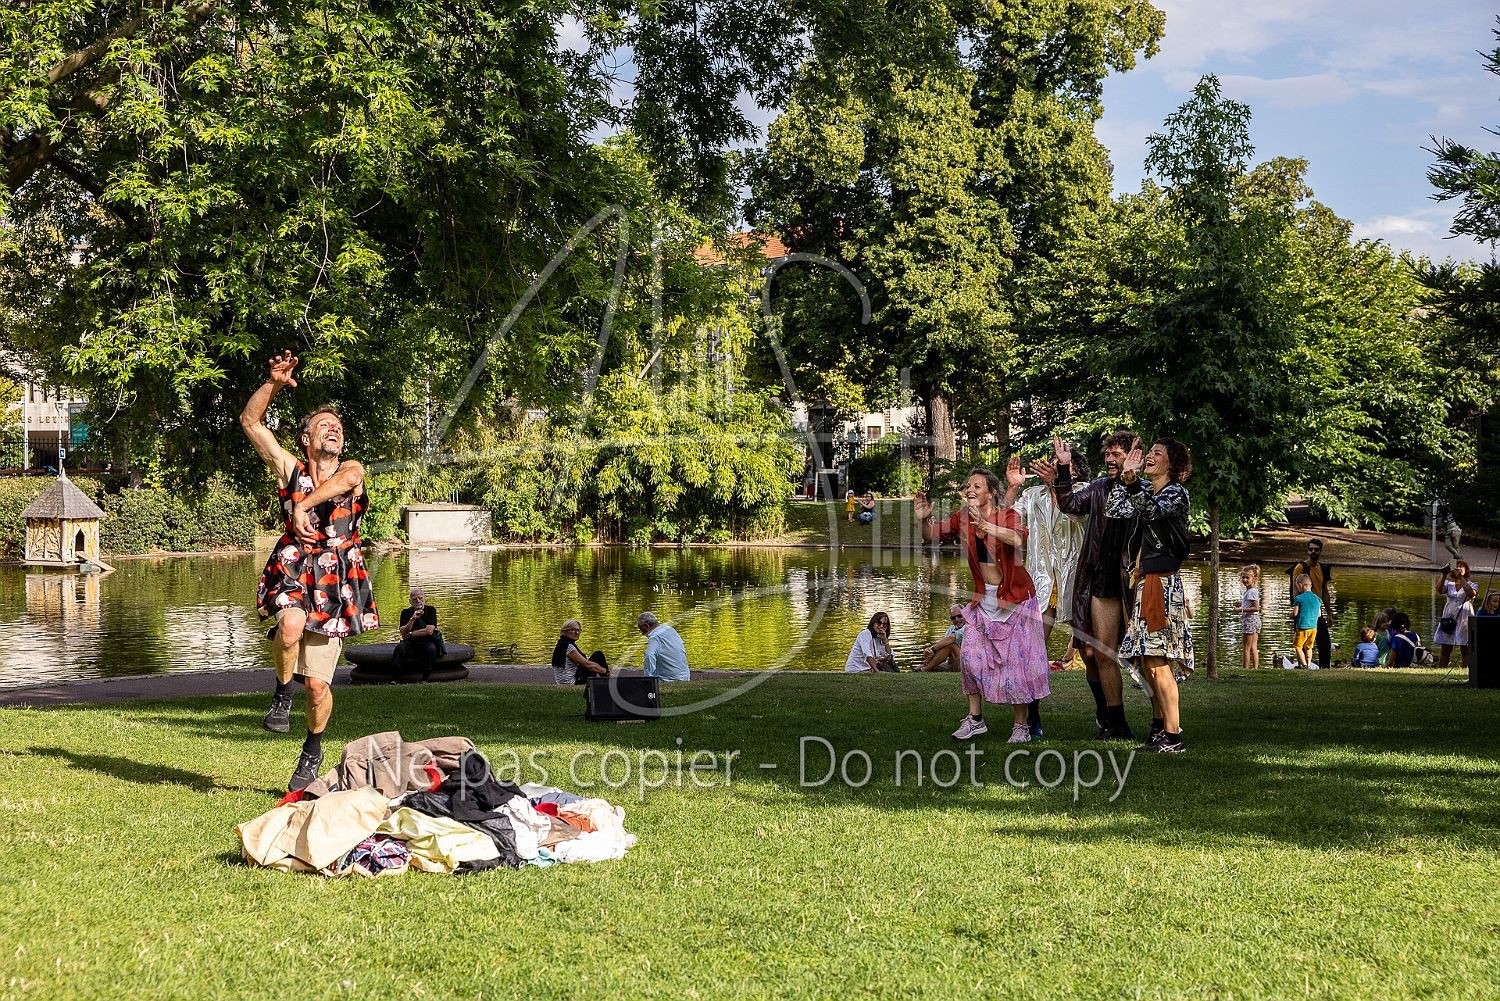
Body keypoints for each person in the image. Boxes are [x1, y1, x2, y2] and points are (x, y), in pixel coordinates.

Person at [242, 351, 378, 792]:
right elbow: (250, 423)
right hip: (295, 562)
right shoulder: (290, 469)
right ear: (305, 439)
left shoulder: (352, 470)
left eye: (338, 426)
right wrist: (274, 384)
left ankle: (312, 748)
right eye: (324, 425)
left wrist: (302, 505)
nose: (334, 429)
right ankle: (282, 694)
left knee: (318, 687)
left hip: (336, 579)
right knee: (290, 625)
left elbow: (347, 481)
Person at [915, 462, 1050, 743]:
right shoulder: (961, 518)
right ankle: (975, 719)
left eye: (977, 486)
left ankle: (1021, 726)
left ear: (991, 493)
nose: (970, 489)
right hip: (983, 600)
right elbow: (930, 536)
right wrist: (924, 520)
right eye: (968, 486)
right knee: (969, 657)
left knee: (1017, 665)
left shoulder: (1007, 515)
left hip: (1016, 599)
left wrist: (987, 525)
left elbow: (1017, 539)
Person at [1031, 431, 1139, 740]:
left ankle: (1154, 725)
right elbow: (1069, 504)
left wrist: (1131, 484)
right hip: (1094, 580)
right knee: (1093, 653)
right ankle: (1111, 719)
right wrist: (1063, 470)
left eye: (1116, 454)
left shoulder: (1142, 491)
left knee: (1121, 656)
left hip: (1124, 581)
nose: (1109, 459)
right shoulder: (1099, 487)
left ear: (1133, 457)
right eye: (1108, 454)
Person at [1109, 438, 1193, 753]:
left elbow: (1154, 512)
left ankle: (1173, 736)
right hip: (1147, 582)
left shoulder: (1176, 493)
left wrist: (1133, 485)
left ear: (1172, 463)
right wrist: (1124, 477)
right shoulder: (1146, 490)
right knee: (1147, 662)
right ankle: (1160, 728)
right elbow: (1114, 509)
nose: (1150, 456)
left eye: (1158, 453)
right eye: (1150, 452)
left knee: (1158, 661)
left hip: (1163, 584)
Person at [1014, 452, 1091, 647]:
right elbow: (1008, 518)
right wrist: (1013, 487)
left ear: (1075, 472)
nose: (1053, 466)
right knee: (1033, 641)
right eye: (1052, 462)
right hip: (1042, 575)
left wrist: (1057, 485)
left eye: (1060, 464)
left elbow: (1078, 515)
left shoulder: (1084, 490)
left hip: (1075, 575)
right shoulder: (1032, 494)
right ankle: (1034, 667)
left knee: (1086, 643)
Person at [1289, 539, 1336, 676]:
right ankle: (1304, 669)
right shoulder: (1301, 567)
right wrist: (1297, 610)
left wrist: (1329, 613)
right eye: (1311, 549)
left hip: (1317, 612)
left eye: (1316, 549)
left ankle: (1324, 670)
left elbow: (1325, 592)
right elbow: (1295, 591)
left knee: (1325, 644)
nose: (1313, 552)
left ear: (1320, 551)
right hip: (1303, 612)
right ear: (1307, 550)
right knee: (1301, 643)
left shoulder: (1322, 568)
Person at [1433, 560, 1478, 673]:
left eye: (1461, 566)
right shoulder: (1448, 583)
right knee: (1445, 649)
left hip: (1465, 618)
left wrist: (1461, 578)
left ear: (1466, 569)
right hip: (1449, 617)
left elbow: (1471, 594)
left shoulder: (1473, 584)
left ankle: (1465, 672)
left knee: (1466, 649)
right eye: (1456, 566)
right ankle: (1441, 671)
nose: (1458, 568)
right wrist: (1444, 574)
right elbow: (1439, 590)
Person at [394, 588, 440, 682]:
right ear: (410, 601)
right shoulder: (405, 612)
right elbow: (403, 632)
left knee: (431, 649)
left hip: (427, 642)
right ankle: (395, 678)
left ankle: (425, 679)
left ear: (424, 598)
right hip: (410, 643)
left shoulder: (431, 610)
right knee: (400, 648)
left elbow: (429, 631)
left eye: (420, 598)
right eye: (414, 599)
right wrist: (412, 619)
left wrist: (411, 634)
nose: (418, 601)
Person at [637, 612, 690, 681]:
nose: (643, 634)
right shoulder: (670, 629)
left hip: (670, 680)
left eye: (642, 630)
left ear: (646, 626)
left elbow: (649, 655)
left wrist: (648, 678)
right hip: (685, 677)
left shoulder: (655, 637)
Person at [552, 619, 608, 685]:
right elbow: (588, 665)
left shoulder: (561, 644)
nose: (577, 633)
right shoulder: (569, 647)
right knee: (598, 655)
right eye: (573, 630)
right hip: (572, 684)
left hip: (564, 682)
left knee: (597, 660)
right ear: (564, 631)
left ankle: (607, 681)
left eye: (578, 630)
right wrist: (605, 671)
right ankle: (608, 682)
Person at [1289, 574, 1323, 669]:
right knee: (1309, 647)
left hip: (1302, 627)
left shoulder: (1299, 598)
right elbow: (1319, 614)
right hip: (1313, 628)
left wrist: (1290, 614)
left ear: (1301, 585)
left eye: (1297, 587)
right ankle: (1308, 664)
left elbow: (1295, 613)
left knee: (1298, 646)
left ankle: (1304, 665)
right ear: (1310, 585)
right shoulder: (1317, 599)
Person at [918, 605, 966, 672]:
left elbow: (952, 638)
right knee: (920, 667)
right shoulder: (951, 629)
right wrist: (929, 653)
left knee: (951, 645)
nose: (957, 619)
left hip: (966, 663)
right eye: (953, 618)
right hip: (951, 663)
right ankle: (923, 667)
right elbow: (942, 647)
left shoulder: (969, 627)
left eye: (959, 616)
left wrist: (932, 649)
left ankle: (924, 669)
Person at [1238, 565, 1262, 670]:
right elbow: (1250, 604)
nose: (1244, 580)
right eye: (1243, 577)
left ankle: (1245, 669)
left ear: (1254, 579)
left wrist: (1241, 609)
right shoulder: (1252, 591)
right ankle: (1255, 668)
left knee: (1246, 648)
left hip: (1249, 620)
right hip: (1255, 620)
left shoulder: (1251, 591)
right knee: (1253, 647)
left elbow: (1256, 608)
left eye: (1247, 577)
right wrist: (1241, 604)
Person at [1436, 498, 1462, 564]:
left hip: (1455, 529)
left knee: (1455, 547)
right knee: (1447, 545)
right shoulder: (1445, 512)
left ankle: (1454, 565)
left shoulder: (1456, 511)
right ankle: (1458, 557)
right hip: (1448, 530)